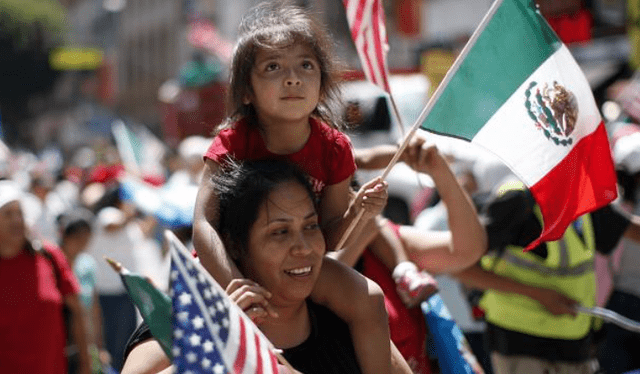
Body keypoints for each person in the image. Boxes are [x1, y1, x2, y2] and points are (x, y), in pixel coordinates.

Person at [192, 3, 401, 373]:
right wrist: (236, 285)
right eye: (273, 67)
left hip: (297, 263)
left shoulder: (335, 149)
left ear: (323, 83)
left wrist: (359, 212)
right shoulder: (232, 142)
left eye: (306, 65)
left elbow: (331, 238)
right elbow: (203, 226)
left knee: (369, 298)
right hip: (228, 262)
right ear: (246, 93)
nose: (293, 78)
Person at [121, 160, 412, 374]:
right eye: (279, 232)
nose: (304, 247)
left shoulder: (348, 320)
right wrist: (219, 347)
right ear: (235, 245)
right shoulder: (186, 325)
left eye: (310, 226)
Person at [454, 178, 640, 374]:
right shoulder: (518, 199)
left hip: (575, 346)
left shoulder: (579, 192)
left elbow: (625, 227)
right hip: (523, 345)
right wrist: (538, 294)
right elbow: (460, 266)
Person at [335, 143, 488, 373]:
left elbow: (467, 250)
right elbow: (317, 287)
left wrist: (439, 171)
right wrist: (364, 230)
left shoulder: (384, 242)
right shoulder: (298, 262)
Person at [0, 179, 92, 374]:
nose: (17, 220)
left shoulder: (49, 256)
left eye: (20, 213)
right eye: (8, 214)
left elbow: (77, 313)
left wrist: (86, 363)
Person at [58, 208, 112, 373]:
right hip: (61, 344)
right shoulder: (53, 263)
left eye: (86, 235)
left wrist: (99, 347)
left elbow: (94, 309)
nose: (82, 241)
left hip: (85, 343)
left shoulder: (87, 265)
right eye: (77, 236)